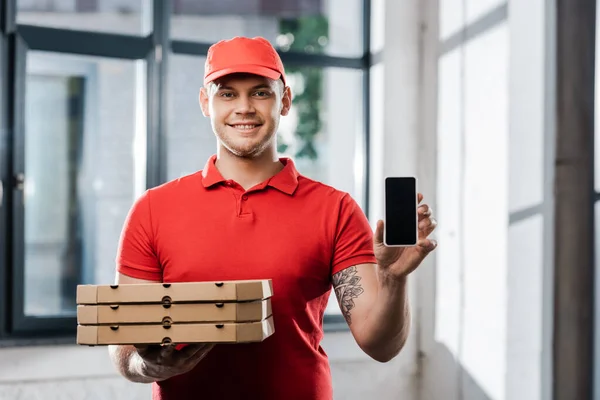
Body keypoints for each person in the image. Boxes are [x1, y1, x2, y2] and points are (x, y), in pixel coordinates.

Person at [108, 36, 437, 400]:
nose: (244, 107)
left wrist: (391, 279)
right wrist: (149, 367)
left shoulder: (335, 210)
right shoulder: (153, 209)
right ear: (206, 102)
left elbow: (380, 346)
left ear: (285, 100)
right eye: (227, 93)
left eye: (261, 92)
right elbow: (124, 344)